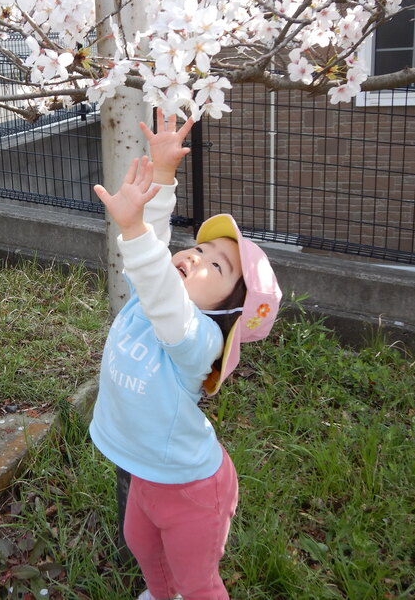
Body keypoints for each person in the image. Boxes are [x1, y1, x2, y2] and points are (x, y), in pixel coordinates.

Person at [89, 110, 282, 600]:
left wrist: (131, 231)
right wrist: (163, 177)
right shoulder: (148, 301)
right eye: (198, 248)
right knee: (142, 547)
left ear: (228, 309)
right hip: (147, 473)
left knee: (198, 582)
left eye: (214, 265)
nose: (193, 257)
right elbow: (154, 256)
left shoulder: (198, 339)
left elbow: (159, 284)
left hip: (192, 488)